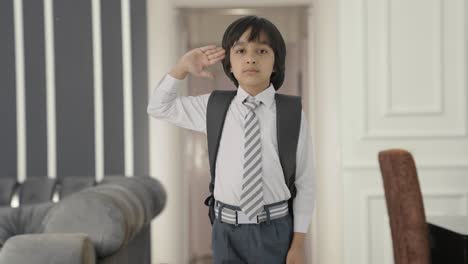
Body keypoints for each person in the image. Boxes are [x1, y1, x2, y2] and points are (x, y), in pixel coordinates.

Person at [147, 15, 315, 264]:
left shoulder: (291, 113)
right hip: (225, 231)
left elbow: (305, 183)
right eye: (240, 50)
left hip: (276, 230)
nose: (250, 57)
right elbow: (159, 107)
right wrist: (181, 68)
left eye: (261, 50)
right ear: (230, 63)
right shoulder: (213, 107)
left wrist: (298, 245)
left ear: (276, 63)